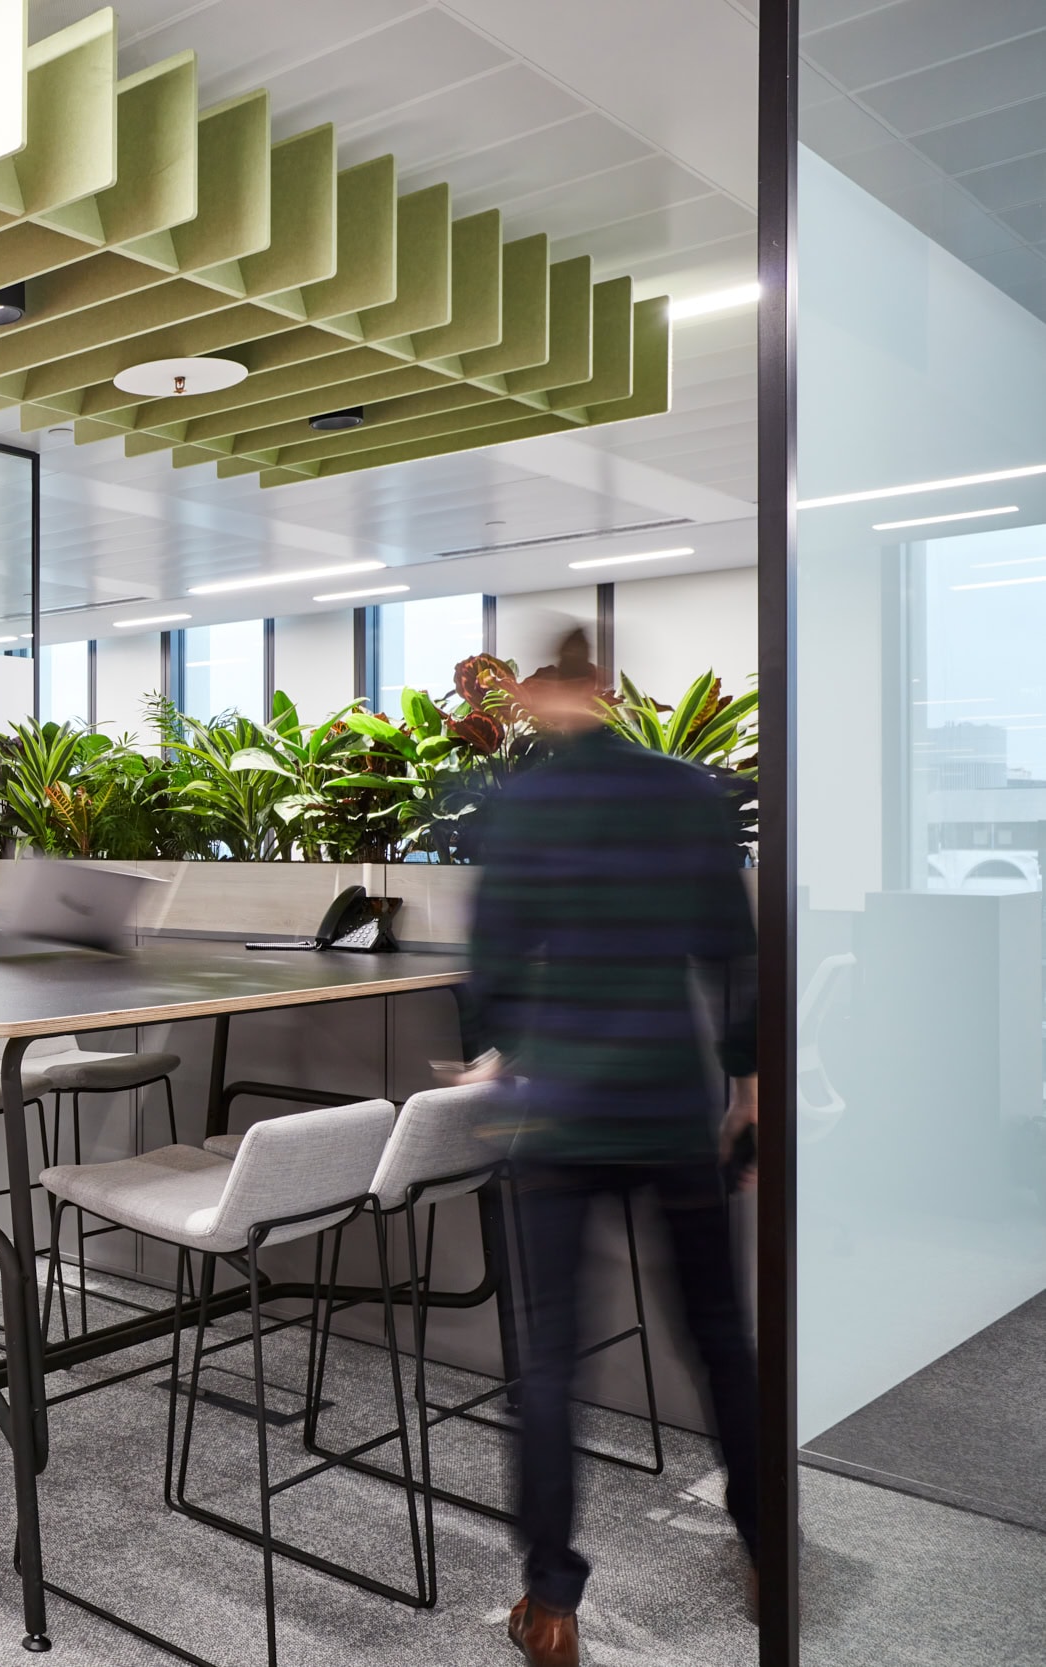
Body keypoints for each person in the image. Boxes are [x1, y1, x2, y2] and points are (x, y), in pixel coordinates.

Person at [460, 630, 760, 1667]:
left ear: (546, 696)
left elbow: (491, 955)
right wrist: (746, 1088)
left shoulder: (519, 802)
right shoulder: (690, 790)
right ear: (608, 688)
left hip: (562, 1103)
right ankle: (766, 1549)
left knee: (546, 1362)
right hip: (672, 1096)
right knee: (720, 1337)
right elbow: (731, 948)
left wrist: (492, 1054)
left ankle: (550, 1604)